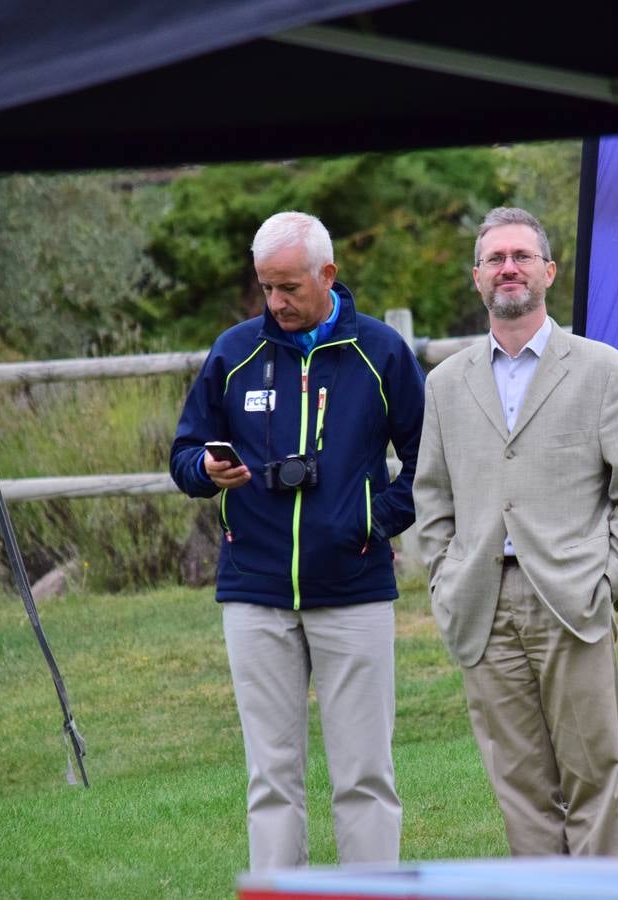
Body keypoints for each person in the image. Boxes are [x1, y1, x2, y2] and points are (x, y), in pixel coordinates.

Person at [170, 211, 425, 871]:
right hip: (254, 591)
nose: (275, 303)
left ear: (328, 275)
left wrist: (372, 520)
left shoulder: (382, 352)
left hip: (355, 588)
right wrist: (206, 470)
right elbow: (184, 454)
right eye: (266, 288)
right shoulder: (233, 353)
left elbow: (433, 463)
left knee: (365, 774)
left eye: (288, 287)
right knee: (271, 777)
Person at [413, 206, 618, 857]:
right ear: (477, 278)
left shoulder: (602, 370)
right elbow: (431, 496)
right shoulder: (444, 385)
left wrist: (610, 580)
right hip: (481, 604)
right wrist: (443, 580)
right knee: (520, 790)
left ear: (548, 271)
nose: (508, 268)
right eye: (495, 258)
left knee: (591, 779)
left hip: (572, 600)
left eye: (521, 256)